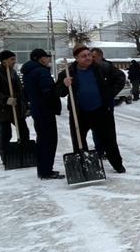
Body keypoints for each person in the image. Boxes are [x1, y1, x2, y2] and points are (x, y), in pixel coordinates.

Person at [56, 45, 126, 173]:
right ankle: (84, 167)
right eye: (84, 56)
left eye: (89, 55)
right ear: (76, 58)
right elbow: (58, 92)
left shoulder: (102, 67)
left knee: (109, 140)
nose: (88, 58)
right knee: (79, 141)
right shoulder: (68, 72)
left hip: (101, 111)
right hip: (79, 113)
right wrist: (64, 84)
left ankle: (118, 165)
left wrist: (109, 94)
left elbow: (120, 77)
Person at [21, 49, 63, 179]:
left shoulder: (28, 73)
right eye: (46, 57)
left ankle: (43, 169)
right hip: (45, 110)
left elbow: (26, 93)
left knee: (42, 140)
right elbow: (48, 92)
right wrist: (54, 100)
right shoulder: (42, 72)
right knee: (49, 141)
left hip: (37, 110)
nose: (49, 59)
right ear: (40, 59)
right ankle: (46, 171)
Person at [0, 50, 30, 159]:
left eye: (14, 59)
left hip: (16, 108)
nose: (15, 61)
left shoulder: (13, 73)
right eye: (12, 59)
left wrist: (25, 106)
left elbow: (19, 91)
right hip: (2, 109)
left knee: (23, 130)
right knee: (6, 132)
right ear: (4, 61)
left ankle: (25, 151)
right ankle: (4, 153)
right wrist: (5, 99)